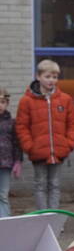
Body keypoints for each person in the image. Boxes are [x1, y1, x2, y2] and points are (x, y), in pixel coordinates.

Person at [15, 59, 74, 211]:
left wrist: (68, 144)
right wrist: (29, 147)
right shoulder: (26, 101)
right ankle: (43, 217)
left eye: (55, 77)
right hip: (38, 151)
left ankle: (54, 217)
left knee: (55, 184)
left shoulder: (65, 99)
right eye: (48, 76)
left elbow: (72, 124)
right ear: (38, 76)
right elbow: (22, 126)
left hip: (58, 150)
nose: (52, 80)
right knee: (40, 184)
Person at [0, 87, 21, 218]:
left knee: (3, 195)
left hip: (5, 164)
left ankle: (5, 221)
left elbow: (16, 143)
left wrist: (18, 161)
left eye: (2, 102)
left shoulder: (11, 123)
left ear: (7, 103)